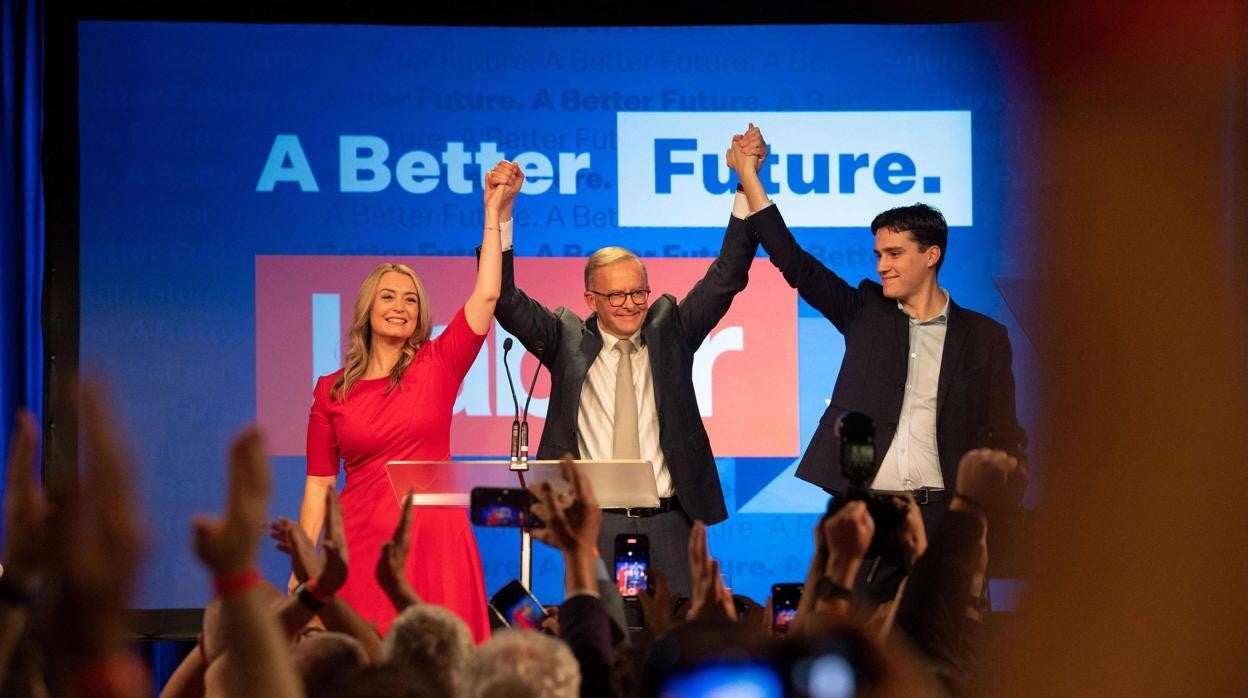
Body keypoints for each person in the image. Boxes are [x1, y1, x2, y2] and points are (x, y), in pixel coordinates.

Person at [729, 124, 1023, 601]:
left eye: (894, 253)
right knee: (861, 653)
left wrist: (992, 514)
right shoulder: (864, 311)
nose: (882, 264)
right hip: (869, 515)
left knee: (948, 653)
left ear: (932, 255)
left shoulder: (985, 338)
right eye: (877, 254)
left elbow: (1007, 436)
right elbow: (795, 263)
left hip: (946, 518)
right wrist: (749, 177)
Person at [491, 138, 762, 596]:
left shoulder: (670, 331)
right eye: (615, 295)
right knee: (601, 640)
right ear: (590, 300)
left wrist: (745, 182)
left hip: (671, 521)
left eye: (639, 292)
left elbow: (727, 275)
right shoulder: (565, 340)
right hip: (593, 524)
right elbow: (504, 299)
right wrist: (500, 215)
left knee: (674, 643)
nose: (631, 304)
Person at [300, 160, 524, 639]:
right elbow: (319, 488)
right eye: (388, 297)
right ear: (367, 309)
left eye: (410, 299)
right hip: (359, 542)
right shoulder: (331, 390)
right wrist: (303, 571)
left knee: (440, 664)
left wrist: (493, 213)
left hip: (434, 539)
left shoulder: (438, 363)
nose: (400, 307)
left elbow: (487, 296)